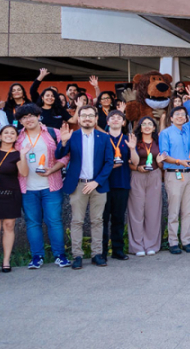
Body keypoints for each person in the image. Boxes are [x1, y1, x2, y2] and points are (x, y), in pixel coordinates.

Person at [57, 105, 114, 269]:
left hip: (98, 185)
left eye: (90, 115)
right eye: (84, 115)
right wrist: (63, 142)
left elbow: (109, 162)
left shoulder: (104, 137)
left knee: (97, 221)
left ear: (96, 118)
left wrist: (97, 181)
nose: (87, 118)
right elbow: (59, 156)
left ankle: (97, 254)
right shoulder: (72, 136)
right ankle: (77, 255)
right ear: (79, 119)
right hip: (78, 185)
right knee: (77, 221)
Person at [13, 104, 70, 269]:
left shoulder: (54, 133)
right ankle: (37, 256)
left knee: (55, 222)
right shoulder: (17, 138)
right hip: (27, 188)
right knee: (32, 223)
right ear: (20, 121)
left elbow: (66, 156)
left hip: (51, 186)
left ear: (38, 116)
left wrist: (53, 169)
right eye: (24, 117)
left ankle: (60, 255)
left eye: (31, 115)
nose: (28, 119)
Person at [159, 87, 190, 255]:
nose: (180, 117)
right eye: (177, 115)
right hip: (174, 173)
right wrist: (179, 161)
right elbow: (164, 156)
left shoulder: (187, 129)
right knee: (174, 210)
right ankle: (173, 242)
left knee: (188, 210)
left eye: (183, 115)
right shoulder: (165, 133)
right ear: (171, 118)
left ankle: (186, 241)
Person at [0, 125, 29, 273]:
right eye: (6, 133)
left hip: (11, 194)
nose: (9, 135)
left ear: (16, 137)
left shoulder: (17, 154)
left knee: (9, 226)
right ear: (0, 136)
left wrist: (23, 155)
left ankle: (6, 261)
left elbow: (23, 173)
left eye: (12, 133)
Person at [128, 116, 164, 256]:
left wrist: (160, 162)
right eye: (144, 124)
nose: (147, 126)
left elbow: (161, 165)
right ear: (140, 127)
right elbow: (130, 163)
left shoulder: (158, 141)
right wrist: (137, 169)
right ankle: (137, 246)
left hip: (154, 176)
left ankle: (151, 245)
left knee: (153, 212)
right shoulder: (135, 141)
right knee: (136, 211)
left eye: (150, 124)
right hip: (137, 176)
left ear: (154, 128)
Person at [100, 110, 132, 261]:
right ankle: (102, 251)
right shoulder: (101, 139)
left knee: (119, 219)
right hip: (104, 185)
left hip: (122, 183)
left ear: (123, 122)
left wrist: (132, 148)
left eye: (119, 118)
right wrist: (111, 166)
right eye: (112, 118)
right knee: (103, 219)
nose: (115, 120)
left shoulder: (127, 140)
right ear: (107, 122)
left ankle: (118, 250)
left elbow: (136, 162)